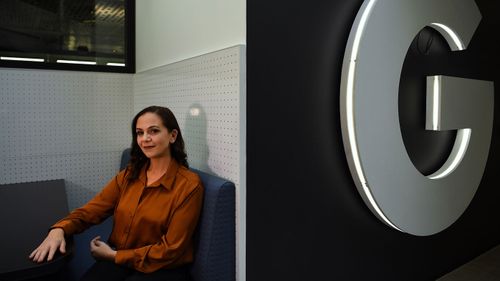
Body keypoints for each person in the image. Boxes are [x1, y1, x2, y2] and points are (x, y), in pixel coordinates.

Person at [29, 106, 204, 281]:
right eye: (139, 133)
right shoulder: (129, 175)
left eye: (154, 131)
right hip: (119, 258)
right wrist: (59, 229)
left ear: (172, 136)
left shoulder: (189, 185)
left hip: (163, 268)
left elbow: (171, 249)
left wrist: (114, 256)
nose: (145, 139)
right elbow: (92, 210)